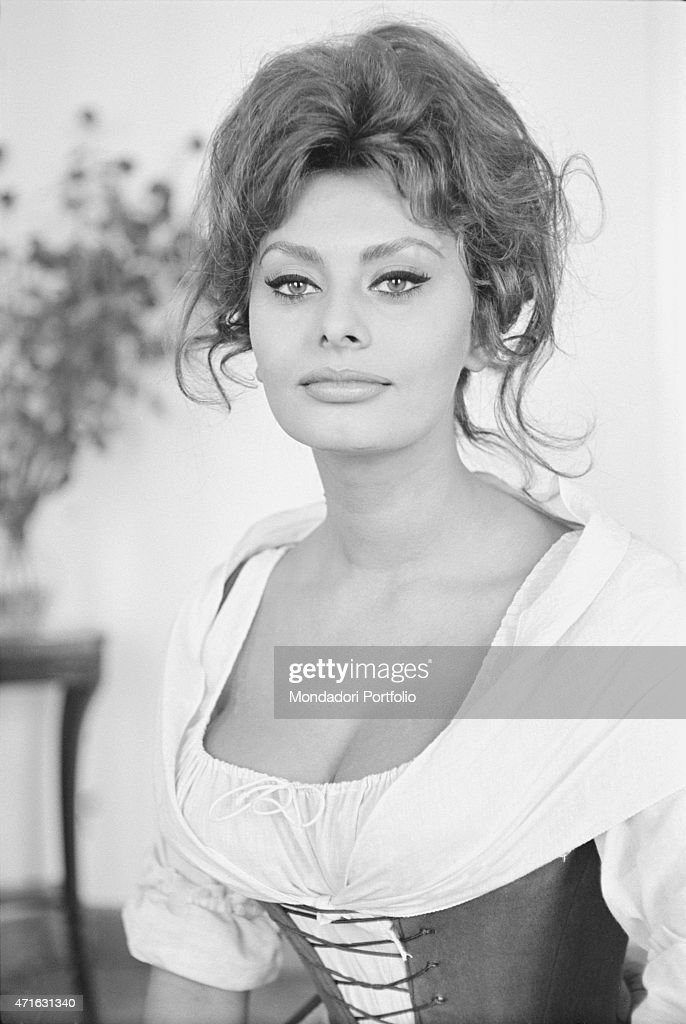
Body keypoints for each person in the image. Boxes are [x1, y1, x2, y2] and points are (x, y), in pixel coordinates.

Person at [122, 20, 686, 1024]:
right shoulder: (232, 607)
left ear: (484, 312)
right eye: (292, 281)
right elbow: (197, 955)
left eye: (396, 279)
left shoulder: (612, 632)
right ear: (244, 312)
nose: (336, 323)